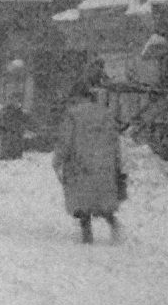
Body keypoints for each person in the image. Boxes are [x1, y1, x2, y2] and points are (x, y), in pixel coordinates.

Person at [52, 81, 125, 244]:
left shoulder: (73, 115)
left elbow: (66, 141)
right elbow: (115, 141)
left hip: (80, 164)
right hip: (103, 162)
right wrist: (117, 162)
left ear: (77, 97)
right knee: (102, 200)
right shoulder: (105, 114)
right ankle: (114, 224)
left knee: (82, 202)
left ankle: (87, 236)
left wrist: (57, 160)